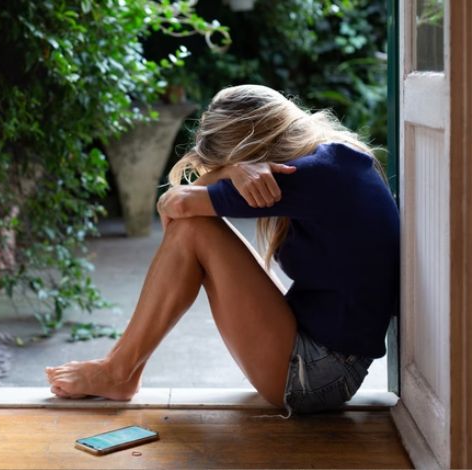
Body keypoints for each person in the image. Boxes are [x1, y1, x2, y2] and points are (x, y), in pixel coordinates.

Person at [45, 84, 399, 414]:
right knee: (193, 228)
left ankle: (119, 371)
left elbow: (176, 205)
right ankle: (122, 370)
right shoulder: (333, 161)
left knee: (194, 230)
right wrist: (232, 170)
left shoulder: (311, 174)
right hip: (318, 356)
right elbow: (182, 205)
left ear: (254, 150)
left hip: (318, 373)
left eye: (229, 160)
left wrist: (227, 173)